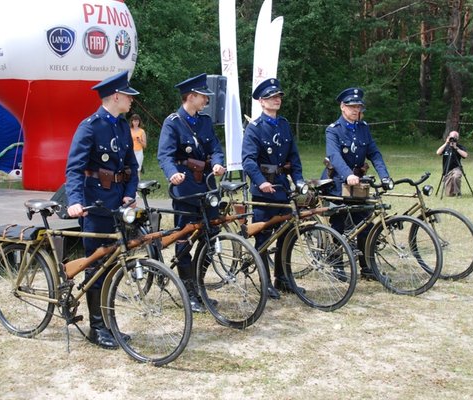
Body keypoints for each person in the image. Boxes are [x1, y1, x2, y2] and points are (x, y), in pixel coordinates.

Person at [65, 71, 140, 349]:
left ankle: (109, 324)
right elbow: (74, 168)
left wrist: (130, 194)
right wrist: (75, 200)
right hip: (96, 206)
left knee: (112, 267)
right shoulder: (90, 126)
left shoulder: (122, 127)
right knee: (96, 267)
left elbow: (131, 165)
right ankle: (97, 328)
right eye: (128, 95)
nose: (132, 100)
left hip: (119, 206)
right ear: (116, 96)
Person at [157, 73, 226, 312]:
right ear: (191, 96)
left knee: (212, 233)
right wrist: (171, 173)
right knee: (185, 237)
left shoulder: (205, 121)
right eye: (203, 96)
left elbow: (215, 148)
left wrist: (217, 162)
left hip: (207, 186)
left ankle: (198, 283)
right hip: (185, 186)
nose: (207, 100)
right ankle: (188, 291)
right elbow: (164, 155)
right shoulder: (173, 122)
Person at [241, 78, 304, 299]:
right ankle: (265, 282)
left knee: (286, 234)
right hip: (263, 191)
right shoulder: (255, 129)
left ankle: (284, 278)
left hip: (282, 189)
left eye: (278, 97)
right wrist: (261, 181)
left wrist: (299, 180)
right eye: (270, 97)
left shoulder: (284, 124)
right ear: (261, 101)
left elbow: (293, 157)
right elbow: (248, 161)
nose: (276, 100)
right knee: (263, 237)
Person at [322, 87, 391, 280]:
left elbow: (374, 153)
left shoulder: (363, 128)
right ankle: (337, 266)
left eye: (358, 106)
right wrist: (347, 175)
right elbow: (334, 155)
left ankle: (368, 268)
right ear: (342, 107)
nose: (355, 110)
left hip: (358, 184)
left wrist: (385, 176)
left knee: (366, 224)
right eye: (351, 106)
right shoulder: (333, 130)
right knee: (338, 225)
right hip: (337, 183)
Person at [436, 130, 468, 197]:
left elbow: (465, 155)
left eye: (455, 137)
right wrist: (446, 143)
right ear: (448, 137)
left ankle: (458, 192)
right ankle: (452, 191)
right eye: (452, 137)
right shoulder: (446, 147)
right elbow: (438, 153)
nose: (453, 138)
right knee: (449, 194)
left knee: (456, 176)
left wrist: (456, 148)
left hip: (456, 168)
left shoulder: (459, 147)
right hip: (447, 170)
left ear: (457, 138)